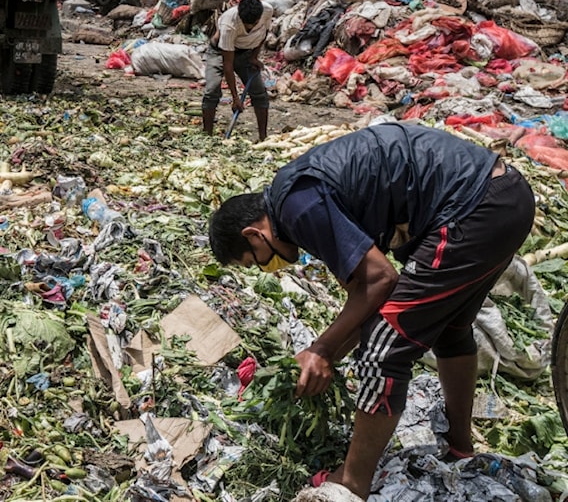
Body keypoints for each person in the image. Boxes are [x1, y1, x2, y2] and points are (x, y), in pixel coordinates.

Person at [207, 122, 535, 502]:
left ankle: (351, 481)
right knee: (450, 329)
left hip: (474, 208)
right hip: (506, 195)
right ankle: (460, 446)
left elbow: (381, 280)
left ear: (254, 234)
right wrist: (325, 354)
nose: (266, 268)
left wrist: (321, 349)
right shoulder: (296, 195)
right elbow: (365, 295)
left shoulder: (296, 205)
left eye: (254, 262)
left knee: (382, 351)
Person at [203, 0, 273, 140]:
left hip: (246, 51)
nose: (250, 28)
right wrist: (235, 98)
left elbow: (263, 34)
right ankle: (207, 136)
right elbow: (228, 65)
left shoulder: (267, 10)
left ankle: (263, 137)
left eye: (253, 24)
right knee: (212, 90)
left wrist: (254, 57)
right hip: (220, 52)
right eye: (247, 25)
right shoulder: (229, 24)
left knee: (259, 92)